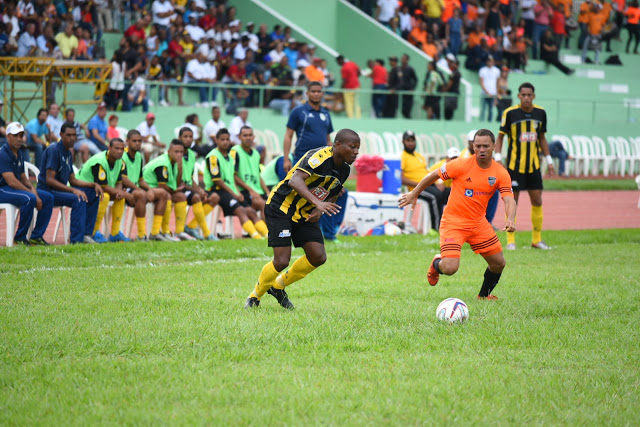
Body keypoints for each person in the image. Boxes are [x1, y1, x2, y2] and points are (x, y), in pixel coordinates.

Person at [245, 129, 360, 309]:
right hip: (281, 206)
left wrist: (319, 210)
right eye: (352, 147)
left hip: (305, 213)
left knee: (318, 256)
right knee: (282, 260)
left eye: (358, 148)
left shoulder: (344, 169)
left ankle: (278, 286)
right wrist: (317, 203)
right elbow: (295, 181)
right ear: (337, 145)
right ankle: (254, 296)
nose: (356, 152)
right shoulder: (318, 157)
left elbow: (335, 192)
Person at [399, 129, 515, 300]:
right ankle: (436, 264)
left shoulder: (500, 172)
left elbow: (509, 199)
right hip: (454, 223)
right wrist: (414, 193)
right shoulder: (461, 164)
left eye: (485, 146)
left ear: (494, 147)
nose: (481, 150)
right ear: (473, 146)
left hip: (478, 224)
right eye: (477, 146)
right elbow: (433, 175)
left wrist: (510, 219)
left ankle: (483, 296)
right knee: (450, 268)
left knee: (499, 263)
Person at [281, 81, 345, 242]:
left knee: (331, 194)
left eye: (319, 91)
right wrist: (286, 157)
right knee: (297, 194)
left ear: (322, 94)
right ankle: (289, 228)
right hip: (302, 161)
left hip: (324, 164)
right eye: (313, 91)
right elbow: (288, 135)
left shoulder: (326, 114)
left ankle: (329, 233)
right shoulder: (298, 112)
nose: (316, 94)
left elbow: (329, 140)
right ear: (307, 93)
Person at [496, 82, 554, 250]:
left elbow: (542, 137)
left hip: (534, 166)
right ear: (518, 96)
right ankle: (510, 241)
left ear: (533, 96)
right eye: (523, 95)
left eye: (529, 95)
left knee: (537, 200)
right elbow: (500, 137)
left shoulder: (541, 113)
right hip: (515, 166)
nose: (526, 98)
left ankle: (536, 239)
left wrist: (549, 160)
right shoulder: (510, 113)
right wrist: (498, 159)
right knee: (512, 202)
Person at [38, 121, 103, 244]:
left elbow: (72, 180)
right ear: (61, 134)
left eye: (74, 135)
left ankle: (86, 234)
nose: (72, 138)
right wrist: (73, 190)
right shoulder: (54, 150)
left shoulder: (68, 152)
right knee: (78, 198)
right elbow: (49, 180)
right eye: (68, 135)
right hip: (47, 191)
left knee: (92, 193)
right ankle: (76, 240)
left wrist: (93, 185)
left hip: (59, 191)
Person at [202, 128, 267, 240]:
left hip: (231, 191)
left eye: (227, 139)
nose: (225, 142)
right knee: (245, 209)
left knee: (252, 210)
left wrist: (236, 192)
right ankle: (256, 236)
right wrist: (236, 193)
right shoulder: (215, 156)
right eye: (222, 139)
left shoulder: (228, 157)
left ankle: (267, 235)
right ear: (216, 140)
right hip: (217, 190)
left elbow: (231, 178)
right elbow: (218, 181)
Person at [0, 122, 54, 245]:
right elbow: (12, 182)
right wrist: (32, 193)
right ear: (8, 136)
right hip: (2, 189)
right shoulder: (3, 154)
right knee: (29, 198)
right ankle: (19, 238)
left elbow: (23, 177)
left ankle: (36, 236)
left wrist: (34, 190)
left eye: (21, 136)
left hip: (12, 188)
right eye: (15, 136)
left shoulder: (19, 153)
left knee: (48, 197)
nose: (19, 139)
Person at [77, 137, 137, 243]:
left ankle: (115, 234)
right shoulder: (100, 161)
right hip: (81, 187)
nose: (119, 151)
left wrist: (119, 193)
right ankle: (93, 232)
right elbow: (103, 186)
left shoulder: (120, 161)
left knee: (120, 198)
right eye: (116, 148)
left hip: (97, 189)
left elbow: (119, 182)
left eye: (122, 149)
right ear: (109, 147)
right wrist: (125, 194)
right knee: (105, 197)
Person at [122, 130, 170, 241]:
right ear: (127, 141)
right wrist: (141, 190)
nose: (137, 143)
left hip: (135, 188)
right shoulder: (122, 155)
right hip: (124, 189)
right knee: (141, 194)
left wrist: (149, 189)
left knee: (163, 193)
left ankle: (154, 233)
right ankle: (141, 235)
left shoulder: (139, 156)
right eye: (134, 141)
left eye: (139, 141)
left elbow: (141, 179)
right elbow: (123, 180)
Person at [175, 126, 220, 241]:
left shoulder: (191, 155)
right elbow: (179, 182)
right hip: (176, 188)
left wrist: (200, 189)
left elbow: (189, 178)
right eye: (185, 137)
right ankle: (207, 233)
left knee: (214, 197)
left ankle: (191, 227)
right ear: (179, 138)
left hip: (187, 187)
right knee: (196, 196)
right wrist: (196, 191)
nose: (189, 139)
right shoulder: (175, 154)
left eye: (191, 137)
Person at [142, 139, 190, 242]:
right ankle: (162, 232)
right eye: (176, 152)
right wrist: (175, 189)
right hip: (146, 188)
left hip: (159, 190)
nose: (179, 155)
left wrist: (180, 168)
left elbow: (176, 184)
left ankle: (179, 231)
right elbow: (162, 186)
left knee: (181, 197)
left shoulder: (175, 163)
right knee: (166, 195)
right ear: (169, 151)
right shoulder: (163, 163)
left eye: (181, 152)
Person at [400, 130, 448, 231]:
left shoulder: (419, 156)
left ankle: (452, 225)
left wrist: (436, 183)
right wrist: (420, 185)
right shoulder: (402, 157)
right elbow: (402, 179)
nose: (410, 143)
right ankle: (436, 229)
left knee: (450, 192)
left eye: (412, 140)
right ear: (403, 142)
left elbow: (428, 173)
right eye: (408, 140)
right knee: (435, 196)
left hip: (428, 185)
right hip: (415, 188)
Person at [231, 126, 270, 219]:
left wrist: (267, 191)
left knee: (274, 205)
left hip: (257, 191)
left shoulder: (256, 153)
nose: (248, 138)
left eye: (250, 135)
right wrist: (250, 190)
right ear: (239, 137)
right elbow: (233, 176)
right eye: (245, 135)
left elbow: (258, 176)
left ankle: (268, 232)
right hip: (243, 191)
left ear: (253, 137)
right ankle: (266, 233)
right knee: (264, 205)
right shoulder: (235, 151)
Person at [336, 55, 361, 119]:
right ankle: (358, 117)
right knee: (356, 102)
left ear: (340, 60)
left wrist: (340, 90)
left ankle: (351, 118)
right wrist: (354, 78)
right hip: (356, 85)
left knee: (349, 103)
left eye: (337, 61)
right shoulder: (352, 63)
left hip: (348, 88)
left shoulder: (344, 68)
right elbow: (359, 72)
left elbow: (344, 80)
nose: (337, 63)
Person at [478, 56, 501, 122]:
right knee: (483, 109)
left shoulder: (497, 70)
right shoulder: (482, 70)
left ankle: (489, 124)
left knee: (491, 110)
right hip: (484, 93)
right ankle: (481, 123)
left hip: (493, 93)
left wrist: (497, 93)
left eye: (491, 61)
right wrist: (487, 92)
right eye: (489, 61)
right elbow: (481, 83)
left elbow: (498, 83)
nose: (490, 62)